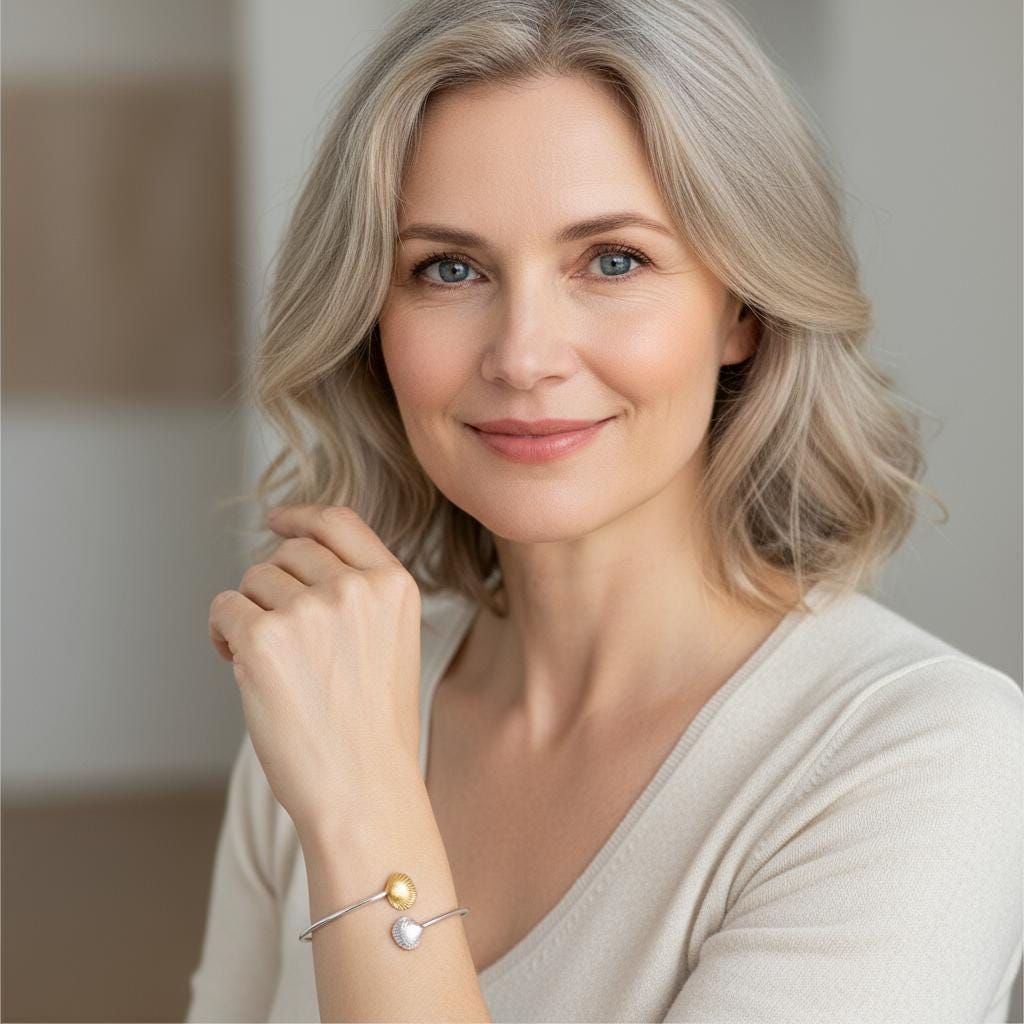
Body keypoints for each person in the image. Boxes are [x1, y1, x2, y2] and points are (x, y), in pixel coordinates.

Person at [186, 0, 1023, 1020]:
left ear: (742, 308)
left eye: (612, 260)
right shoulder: (343, 698)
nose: (524, 355)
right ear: (372, 318)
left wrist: (365, 812)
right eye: (449, 268)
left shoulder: (922, 755)